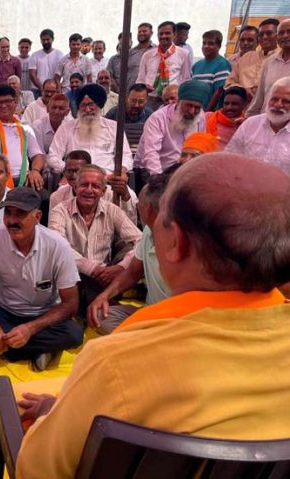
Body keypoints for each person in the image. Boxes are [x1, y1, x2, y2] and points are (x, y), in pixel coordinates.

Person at [15, 153, 290, 478]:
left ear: (176, 242)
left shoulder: (114, 362)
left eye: (156, 221)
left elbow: (36, 470)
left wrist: (54, 414)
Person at [0, 188, 83, 371]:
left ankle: (2, 347)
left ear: (37, 216)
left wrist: (30, 329)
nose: (12, 221)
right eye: (8, 213)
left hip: (43, 317)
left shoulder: (58, 246)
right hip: (3, 311)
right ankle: (34, 349)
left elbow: (70, 303)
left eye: (20, 214)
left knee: (74, 334)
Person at [48, 165, 142, 320]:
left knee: (135, 252)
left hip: (106, 274)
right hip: (74, 274)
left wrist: (120, 267)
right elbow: (58, 246)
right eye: (84, 185)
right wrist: (91, 269)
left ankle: (94, 303)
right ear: (75, 186)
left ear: (104, 191)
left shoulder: (112, 210)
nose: (89, 190)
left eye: (96, 186)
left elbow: (140, 239)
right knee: (64, 265)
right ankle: (109, 300)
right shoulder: (60, 210)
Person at [87, 170, 174, 334]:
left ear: (146, 209)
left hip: (180, 320)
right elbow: (133, 272)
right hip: (150, 315)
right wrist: (104, 296)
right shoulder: (149, 232)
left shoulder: (183, 241)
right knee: (100, 315)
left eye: (138, 203)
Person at [47, 83, 132, 175]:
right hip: (75, 179)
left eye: (91, 104)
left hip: (108, 178)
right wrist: (68, 169)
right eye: (83, 105)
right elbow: (53, 156)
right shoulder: (66, 128)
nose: (87, 110)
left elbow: (126, 156)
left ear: (99, 105)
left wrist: (122, 170)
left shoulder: (114, 127)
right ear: (78, 107)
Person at [135, 79, 207, 175]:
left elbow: (200, 149)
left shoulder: (200, 118)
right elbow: (151, 154)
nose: (192, 111)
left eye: (197, 108)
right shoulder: (158, 118)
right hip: (152, 171)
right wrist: (159, 179)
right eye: (189, 106)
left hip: (183, 171)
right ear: (178, 102)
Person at [48, 150, 138, 224]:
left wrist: (125, 196)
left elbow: (130, 225)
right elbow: (55, 235)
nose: (74, 175)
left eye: (79, 171)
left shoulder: (110, 194)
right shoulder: (57, 197)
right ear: (64, 172)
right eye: (70, 171)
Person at [226, 77, 290, 175]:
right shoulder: (250, 125)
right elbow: (229, 158)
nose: (278, 105)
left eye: (286, 101)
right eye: (274, 99)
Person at [136, 21, 192, 109]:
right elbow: (140, 80)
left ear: (174, 34)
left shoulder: (183, 54)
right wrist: (144, 87)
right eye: (161, 34)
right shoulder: (147, 55)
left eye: (167, 33)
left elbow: (186, 80)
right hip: (151, 99)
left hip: (172, 100)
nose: (163, 36)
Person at [225, 19, 279, 100]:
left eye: (269, 33)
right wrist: (243, 91)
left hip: (269, 107)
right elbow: (229, 83)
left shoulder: (282, 58)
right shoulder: (246, 57)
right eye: (261, 34)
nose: (264, 37)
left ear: (277, 35)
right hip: (242, 108)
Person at [246, 19, 290, 116]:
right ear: (277, 37)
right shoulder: (270, 62)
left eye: (289, 32)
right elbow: (260, 96)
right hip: (267, 121)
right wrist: (248, 118)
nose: (285, 36)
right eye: (281, 33)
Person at [105, 83, 153, 155]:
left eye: (141, 102)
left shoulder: (150, 116)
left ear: (146, 100)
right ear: (127, 98)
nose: (136, 105)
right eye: (133, 101)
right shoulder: (113, 113)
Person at [191, 30, 232, 111]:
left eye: (211, 43)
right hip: (195, 111)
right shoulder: (196, 66)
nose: (206, 46)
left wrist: (207, 113)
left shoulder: (222, 64)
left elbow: (218, 92)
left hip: (211, 113)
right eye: (204, 43)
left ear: (219, 46)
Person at [28, 29, 64, 98]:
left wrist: (55, 87)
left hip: (54, 90)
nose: (45, 42)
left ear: (52, 39)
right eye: (43, 40)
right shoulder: (35, 55)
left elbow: (60, 73)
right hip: (37, 90)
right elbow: (32, 74)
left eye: (48, 39)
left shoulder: (59, 54)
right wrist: (42, 88)